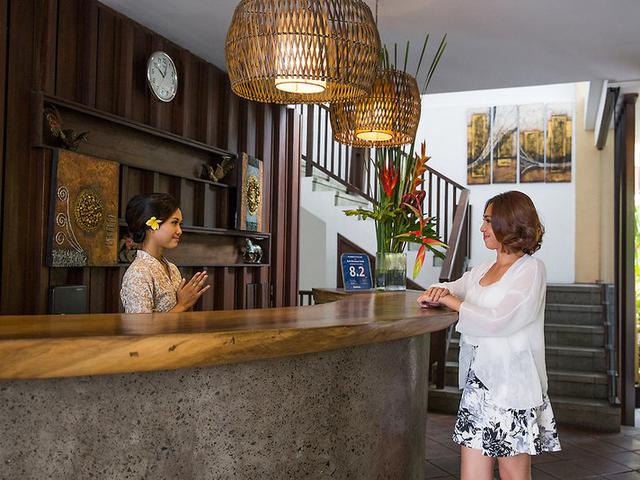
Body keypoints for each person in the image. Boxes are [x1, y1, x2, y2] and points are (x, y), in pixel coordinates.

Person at [417, 191, 561, 480]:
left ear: (508, 223)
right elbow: (454, 287)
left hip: (513, 387)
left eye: (488, 221)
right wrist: (437, 292)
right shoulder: (482, 269)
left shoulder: (531, 270)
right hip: (479, 384)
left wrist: (452, 302)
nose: (482, 228)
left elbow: (500, 321)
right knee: (472, 475)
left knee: (513, 474)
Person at [120, 193, 210, 313]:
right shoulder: (138, 273)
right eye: (174, 223)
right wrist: (182, 305)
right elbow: (141, 324)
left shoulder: (172, 269)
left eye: (180, 224)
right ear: (151, 225)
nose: (179, 231)